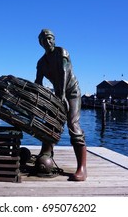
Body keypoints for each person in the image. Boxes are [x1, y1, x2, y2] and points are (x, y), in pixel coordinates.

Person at [35, 29, 87, 181]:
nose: (48, 42)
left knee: (73, 124)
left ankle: (82, 168)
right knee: (50, 123)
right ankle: (46, 153)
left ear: (54, 39)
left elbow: (64, 72)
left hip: (71, 92)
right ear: (41, 43)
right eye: (44, 40)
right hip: (58, 94)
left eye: (50, 38)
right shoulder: (41, 63)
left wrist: (63, 94)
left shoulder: (61, 52)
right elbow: (38, 83)